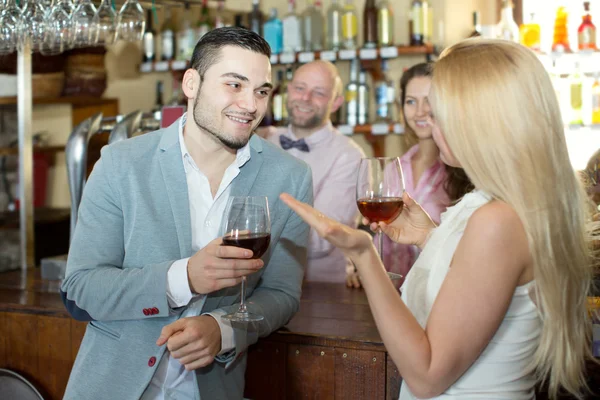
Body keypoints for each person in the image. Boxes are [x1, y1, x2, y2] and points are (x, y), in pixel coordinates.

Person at [281, 38, 593, 399]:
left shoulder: (497, 220)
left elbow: (427, 376)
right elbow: (483, 282)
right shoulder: (504, 203)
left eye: (439, 113)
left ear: (479, 122)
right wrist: (430, 237)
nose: (428, 122)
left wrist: (366, 256)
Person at [60, 27, 313, 400]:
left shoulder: (290, 176)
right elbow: (81, 290)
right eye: (234, 85)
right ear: (191, 83)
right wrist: (185, 277)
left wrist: (223, 329)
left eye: (261, 91)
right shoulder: (120, 164)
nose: (250, 105)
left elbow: (282, 294)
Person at [347, 63, 472, 288]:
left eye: (429, 100)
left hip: (441, 293)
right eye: (411, 101)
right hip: (392, 294)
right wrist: (364, 270)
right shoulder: (397, 167)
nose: (420, 111)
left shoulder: (463, 172)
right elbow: (383, 235)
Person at [262, 60, 365, 283]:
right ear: (289, 91)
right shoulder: (264, 142)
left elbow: (324, 236)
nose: (305, 98)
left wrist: (250, 232)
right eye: (299, 88)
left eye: (318, 92)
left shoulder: (350, 156)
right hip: (257, 289)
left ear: (336, 102)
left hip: (323, 293)